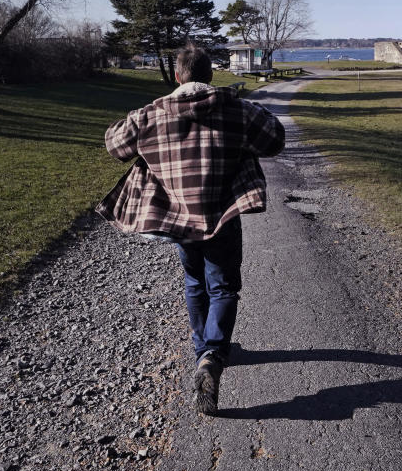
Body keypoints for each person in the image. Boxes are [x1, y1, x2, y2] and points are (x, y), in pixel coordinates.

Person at [96, 45, 285, 415]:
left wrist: (146, 114)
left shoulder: (151, 115)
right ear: (210, 76)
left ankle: (205, 351)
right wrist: (251, 109)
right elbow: (275, 139)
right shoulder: (238, 110)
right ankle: (212, 354)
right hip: (224, 214)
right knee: (224, 285)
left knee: (195, 282)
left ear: (178, 77)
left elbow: (113, 144)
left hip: (179, 219)